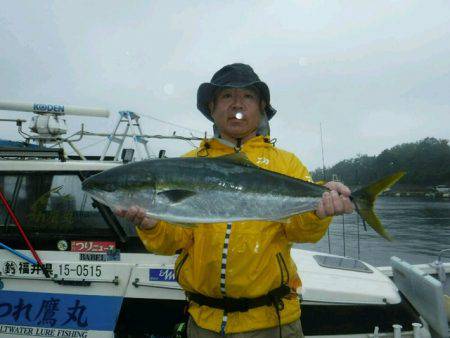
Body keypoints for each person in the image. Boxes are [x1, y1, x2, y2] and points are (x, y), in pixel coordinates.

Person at [116, 63, 354, 337]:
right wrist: (150, 225)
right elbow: (174, 242)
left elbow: (298, 231)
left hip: (273, 322)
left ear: (261, 107)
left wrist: (318, 213)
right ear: (212, 107)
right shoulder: (188, 165)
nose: (237, 104)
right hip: (204, 323)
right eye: (227, 96)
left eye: (247, 97)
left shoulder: (287, 165)